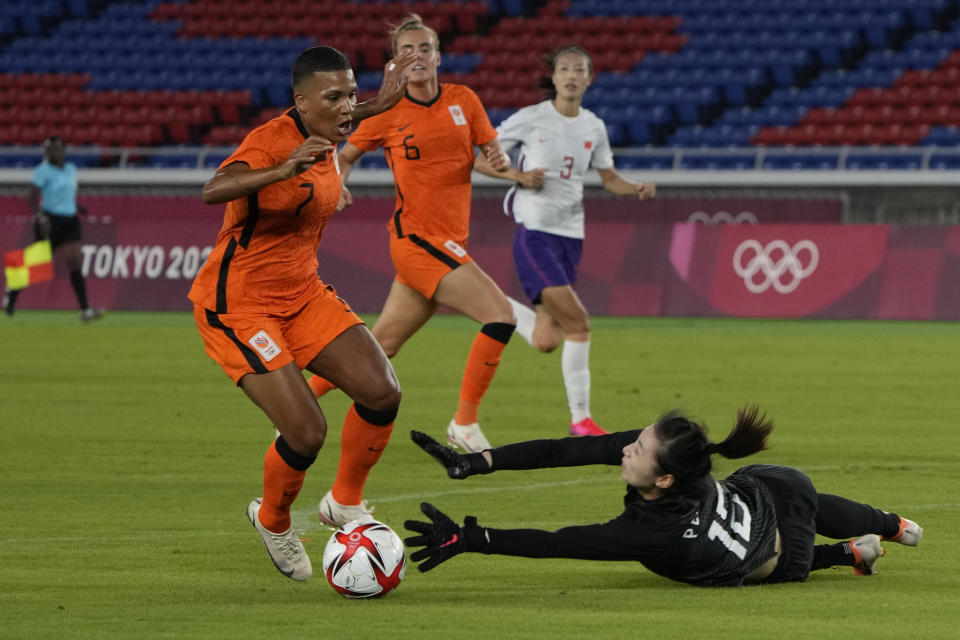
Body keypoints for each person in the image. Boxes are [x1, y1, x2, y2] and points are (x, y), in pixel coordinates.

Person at [188, 45, 416, 581]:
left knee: (382, 391)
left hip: (302, 292)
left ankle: (343, 502)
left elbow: (346, 112)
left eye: (351, 95)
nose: (346, 109)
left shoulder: (328, 124)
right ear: (300, 101)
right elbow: (212, 189)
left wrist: (381, 101)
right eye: (335, 97)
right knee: (307, 432)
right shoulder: (270, 142)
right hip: (241, 305)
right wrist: (280, 169)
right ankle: (272, 519)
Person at [403, 407, 923, 586]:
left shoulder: (655, 531)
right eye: (638, 439)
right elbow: (564, 451)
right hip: (752, 516)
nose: (627, 448)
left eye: (639, 446)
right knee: (793, 501)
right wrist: (477, 461)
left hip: (777, 547)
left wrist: (471, 538)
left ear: (666, 478)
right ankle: (856, 548)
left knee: (802, 500)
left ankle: (889, 525)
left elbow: (560, 542)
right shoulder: (662, 464)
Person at [306, 14, 516, 454]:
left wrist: (496, 156)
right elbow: (342, 157)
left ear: (438, 56)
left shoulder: (464, 100)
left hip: (449, 238)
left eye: (424, 49)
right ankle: (464, 422)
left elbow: (487, 149)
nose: (416, 56)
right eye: (407, 51)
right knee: (501, 316)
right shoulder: (387, 112)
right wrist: (337, 181)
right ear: (394, 63)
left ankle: (301, 402)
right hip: (417, 240)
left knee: (381, 347)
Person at [473, 47, 656, 437]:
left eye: (579, 70)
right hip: (534, 233)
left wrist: (635, 187)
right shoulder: (532, 118)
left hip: (571, 237)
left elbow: (609, 180)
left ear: (589, 79)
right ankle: (581, 420)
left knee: (545, 340)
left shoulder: (594, 126)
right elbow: (478, 158)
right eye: (564, 69)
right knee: (579, 324)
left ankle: (483, 298)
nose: (571, 75)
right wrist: (519, 178)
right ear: (553, 77)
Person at [3, 136, 102, 321]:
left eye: (54, 149)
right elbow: (32, 197)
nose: (50, 153)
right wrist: (40, 217)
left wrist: (78, 207)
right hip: (49, 221)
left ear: (63, 150)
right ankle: (12, 290)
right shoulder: (42, 171)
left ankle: (84, 309)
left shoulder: (71, 169)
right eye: (47, 150)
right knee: (39, 262)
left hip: (70, 220)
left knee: (75, 261)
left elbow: (66, 194)